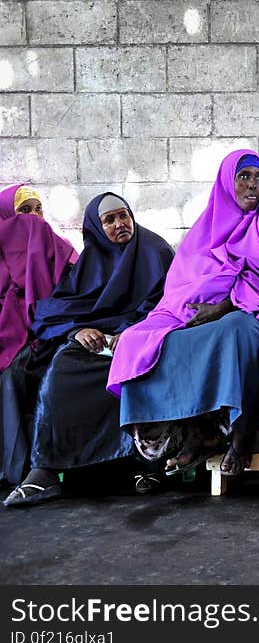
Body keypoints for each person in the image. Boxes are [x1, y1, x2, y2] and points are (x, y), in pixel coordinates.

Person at [107, 150, 259, 478]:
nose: (253, 185)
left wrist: (223, 306)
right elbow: (182, 284)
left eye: (258, 178)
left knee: (234, 331)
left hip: (252, 311)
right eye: (244, 177)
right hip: (199, 310)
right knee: (143, 340)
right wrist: (187, 312)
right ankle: (199, 432)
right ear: (227, 183)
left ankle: (241, 434)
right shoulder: (205, 228)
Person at [3, 192, 174, 506]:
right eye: (109, 220)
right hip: (99, 341)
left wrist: (133, 332)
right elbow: (54, 309)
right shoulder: (91, 261)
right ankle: (47, 469)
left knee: (122, 373)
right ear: (96, 227)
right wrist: (79, 329)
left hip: (141, 340)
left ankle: (137, 466)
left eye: (124, 216)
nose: (120, 224)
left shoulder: (156, 251)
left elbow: (170, 304)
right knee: (65, 366)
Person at [0, 185, 78, 488]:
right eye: (24, 211)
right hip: (13, 337)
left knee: (13, 376)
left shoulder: (56, 246)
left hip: (48, 334)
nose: (33, 219)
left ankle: (20, 469)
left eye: (38, 210)